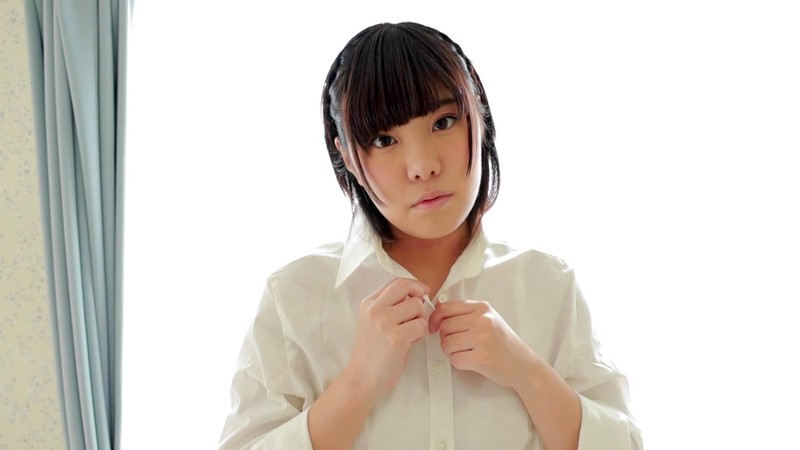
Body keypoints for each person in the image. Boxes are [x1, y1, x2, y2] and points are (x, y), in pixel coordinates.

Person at [219, 21, 642, 450]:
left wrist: (526, 371)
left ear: (480, 116)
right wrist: (359, 383)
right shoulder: (294, 298)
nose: (423, 165)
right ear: (345, 154)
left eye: (443, 122)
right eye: (384, 140)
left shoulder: (547, 284)